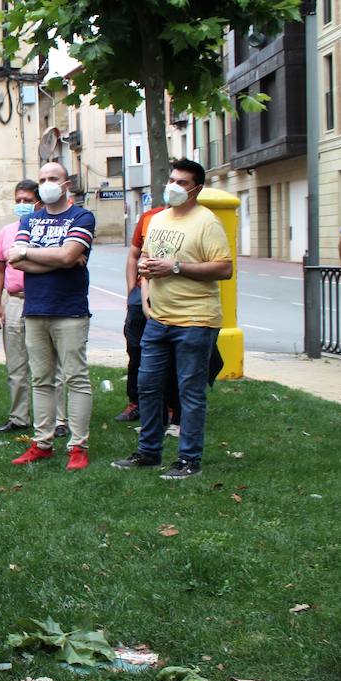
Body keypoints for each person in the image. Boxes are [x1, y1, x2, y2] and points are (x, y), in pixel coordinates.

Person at [113, 159, 233, 479]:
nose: (174, 187)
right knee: (147, 386)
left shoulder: (207, 223)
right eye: (173, 180)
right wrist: (145, 288)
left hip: (195, 321)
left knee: (189, 393)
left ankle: (188, 460)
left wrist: (176, 268)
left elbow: (224, 268)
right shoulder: (158, 220)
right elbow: (148, 261)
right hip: (159, 319)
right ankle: (149, 452)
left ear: (196, 189)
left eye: (182, 183)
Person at [7, 161, 96, 471]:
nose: (46, 183)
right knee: (41, 379)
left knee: (76, 378)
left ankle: (78, 446)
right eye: (42, 178)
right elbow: (15, 261)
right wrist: (61, 259)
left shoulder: (81, 216)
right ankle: (42, 443)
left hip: (69, 309)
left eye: (53, 178)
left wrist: (39, 254)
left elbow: (68, 254)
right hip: (35, 309)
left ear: (66, 183)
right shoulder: (30, 219)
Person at [0, 179, 66, 434]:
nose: (21, 205)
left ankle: (59, 421)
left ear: (39, 201)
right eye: (18, 200)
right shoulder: (7, 231)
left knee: (50, 364)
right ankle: (18, 417)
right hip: (15, 301)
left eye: (26, 200)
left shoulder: (51, 228)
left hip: (44, 300)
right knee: (16, 364)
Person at [113, 204, 166, 423]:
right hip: (141, 294)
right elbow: (134, 255)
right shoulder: (150, 217)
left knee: (170, 352)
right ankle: (136, 402)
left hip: (171, 295)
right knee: (135, 349)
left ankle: (171, 405)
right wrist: (131, 290)